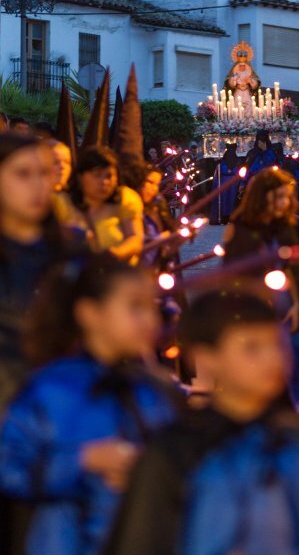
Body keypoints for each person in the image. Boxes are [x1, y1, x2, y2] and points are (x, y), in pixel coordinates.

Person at [102, 290, 299, 555]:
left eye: (277, 344)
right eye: (252, 347)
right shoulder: (177, 450)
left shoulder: (291, 438)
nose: (272, 358)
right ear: (207, 357)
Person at [0, 255, 178, 555]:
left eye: (152, 308)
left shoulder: (153, 390)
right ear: (89, 314)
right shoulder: (53, 387)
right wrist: (82, 461)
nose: (150, 320)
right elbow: (10, 468)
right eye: (135, 307)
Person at [224, 168, 299, 414]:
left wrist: (297, 304)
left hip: (285, 301)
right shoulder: (242, 225)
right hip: (255, 306)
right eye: (278, 197)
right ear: (262, 196)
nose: (284, 203)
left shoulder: (283, 225)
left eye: (288, 197)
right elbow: (234, 270)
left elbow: (290, 268)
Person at [0, 133, 78, 408]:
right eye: (23, 174)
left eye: (45, 172)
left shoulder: (74, 250)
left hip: (66, 400)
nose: (38, 185)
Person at [53, 146, 144, 263]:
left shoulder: (125, 198)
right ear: (80, 177)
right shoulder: (61, 202)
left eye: (109, 176)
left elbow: (135, 239)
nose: (104, 182)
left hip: (117, 275)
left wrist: (115, 254)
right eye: (97, 175)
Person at [209, 143, 240, 225]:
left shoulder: (235, 161)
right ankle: (224, 217)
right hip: (225, 182)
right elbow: (222, 171)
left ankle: (230, 217)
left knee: (231, 200)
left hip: (231, 182)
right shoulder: (222, 162)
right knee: (224, 200)